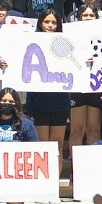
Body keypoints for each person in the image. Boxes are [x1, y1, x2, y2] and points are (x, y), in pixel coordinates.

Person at [27, 10, 72, 148]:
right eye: (47, 22)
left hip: (60, 99)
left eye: (54, 22)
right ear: (40, 23)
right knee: (42, 143)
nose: (50, 25)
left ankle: (57, 171)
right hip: (37, 99)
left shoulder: (67, 44)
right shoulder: (29, 42)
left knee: (57, 143)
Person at [66, 4, 102, 161]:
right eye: (85, 15)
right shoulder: (71, 36)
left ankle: (92, 167)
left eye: (91, 15)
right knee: (76, 130)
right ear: (78, 18)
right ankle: (76, 166)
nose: (88, 18)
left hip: (97, 85)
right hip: (77, 86)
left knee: (94, 130)